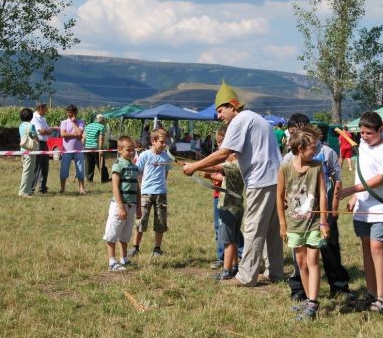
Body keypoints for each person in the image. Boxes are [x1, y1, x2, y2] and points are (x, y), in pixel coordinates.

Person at [182, 81, 284, 287]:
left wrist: (195, 166)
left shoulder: (239, 121)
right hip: (275, 179)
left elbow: (224, 153)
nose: (219, 116)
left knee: (253, 228)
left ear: (231, 105)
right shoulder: (257, 119)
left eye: (220, 111)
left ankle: (246, 277)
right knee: (272, 229)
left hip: (260, 180)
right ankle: (275, 272)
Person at [284, 113, 351, 300]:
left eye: (295, 133)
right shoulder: (288, 158)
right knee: (300, 254)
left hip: (322, 210)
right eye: (290, 133)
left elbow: (337, 182)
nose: (292, 137)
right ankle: (299, 289)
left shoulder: (327, 153)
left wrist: (333, 208)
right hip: (299, 214)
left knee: (330, 248)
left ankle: (338, 286)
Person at [337, 112, 383, 313]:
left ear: (381, 130)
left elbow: (382, 177)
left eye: (369, 133)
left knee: (377, 248)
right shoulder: (361, 145)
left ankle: (382, 298)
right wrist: (355, 197)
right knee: (366, 248)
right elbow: (361, 172)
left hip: (381, 207)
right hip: (362, 207)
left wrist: (351, 190)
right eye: (362, 133)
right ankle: (371, 293)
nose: (364, 136)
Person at [277, 126, 329, 320]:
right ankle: (309, 300)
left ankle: (313, 304)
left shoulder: (317, 167)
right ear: (300, 149)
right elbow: (279, 197)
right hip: (294, 224)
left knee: (312, 261)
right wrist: (283, 224)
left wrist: (323, 221)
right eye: (312, 147)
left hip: (313, 223)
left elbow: (322, 194)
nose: (315, 151)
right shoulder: (285, 168)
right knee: (301, 262)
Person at [128, 128, 172, 257]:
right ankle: (135, 247)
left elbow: (166, 173)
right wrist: (142, 185)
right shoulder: (145, 155)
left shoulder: (166, 156)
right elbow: (138, 172)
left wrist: (161, 185)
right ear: (153, 141)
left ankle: (157, 249)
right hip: (146, 193)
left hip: (161, 193)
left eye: (165, 142)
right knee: (141, 220)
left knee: (160, 222)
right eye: (162, 142)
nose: (164, 145)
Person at [102, 136, 141, 271]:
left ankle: (124, 258)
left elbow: (137, 188)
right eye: (128, 150)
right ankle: (112, 262)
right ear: (119, 150)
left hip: (131, 205)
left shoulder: (134, 167)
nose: (131, 152)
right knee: (113, 233)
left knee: (125, 234)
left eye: (133, 150)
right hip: (120, 206)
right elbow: (115, 187)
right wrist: (121, 207)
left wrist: (138, 207)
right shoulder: (118, 165)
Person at [205, 152, 245, 280]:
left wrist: (194, 166)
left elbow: (214, 167)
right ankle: (234, 266)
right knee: (233, 239)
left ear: (233, 153)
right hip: (238, 208)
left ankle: (226, 271)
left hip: (229, 209)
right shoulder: (242, 164)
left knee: (227, 241)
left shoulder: (232, 166)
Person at [59, 104, 86, 195]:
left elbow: (80, 133)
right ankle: (62, 188)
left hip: (78, 150)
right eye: (68, 112)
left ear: (75, 113)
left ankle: (81, 189)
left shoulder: (81, 122)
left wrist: (74, 124)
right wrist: (76, 135)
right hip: (66, 150)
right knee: (64, 170)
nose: (68, 114)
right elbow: (63, 134)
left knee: (80, 170)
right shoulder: (64, 122)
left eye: (70, 112)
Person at [31, 103, 54, 194]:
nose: (47, 110)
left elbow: (48, 130)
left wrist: (47, 131)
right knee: (37, 166)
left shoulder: (43, 118)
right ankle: (31, 188)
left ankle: (42, 187)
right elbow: (42, 131)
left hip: (44, 144)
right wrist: (47, 131)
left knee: (45, 166)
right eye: (45, 109)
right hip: (38, 143)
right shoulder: (34, 118)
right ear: (40, 108)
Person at [18, 108, 38, 198]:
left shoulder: (21, 126)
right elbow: (34, 136)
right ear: (31, 117)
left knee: (26, 171)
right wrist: (37, 142)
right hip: (30, 151)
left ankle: (27, 190)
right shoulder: (31, 125)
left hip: (23, 150)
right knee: (28, 172)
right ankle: (23, 192)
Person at [83, 114, 108, 182]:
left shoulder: (88, 126)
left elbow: (83, 137)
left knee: (88, 165)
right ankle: (104, 178)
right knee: (101, 164)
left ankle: (89, 179)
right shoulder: (101, 127)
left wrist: (82, 147)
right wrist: (100, 149)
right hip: (95, 148)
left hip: (87, 148)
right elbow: (101, 139)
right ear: (102, 120)